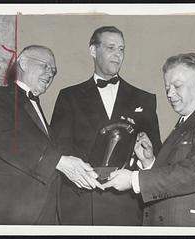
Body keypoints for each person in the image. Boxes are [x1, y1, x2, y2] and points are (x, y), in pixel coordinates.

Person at [103, 53, 195, 227]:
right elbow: (175, 170)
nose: (169, 93)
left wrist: (134, 179)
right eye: (167, 87)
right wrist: (150, 162)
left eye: (177, 86)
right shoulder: (188, 120)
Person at [0, 45, 102, 225]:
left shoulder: (38, 111)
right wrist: (60, 162)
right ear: (24, 63)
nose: (50, 74)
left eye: (54, 71)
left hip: (42, 216)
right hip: (5, 213)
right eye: (45, 66)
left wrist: (88, 173)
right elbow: (6, 138)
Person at [50, 26, 162, 225]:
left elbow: (154, 153)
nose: (118, 55)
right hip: (78, 204)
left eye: (121, 49)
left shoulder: (144, 99)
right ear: (93, 51)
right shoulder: (68, 96)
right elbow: (60, 148)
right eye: (111, 48)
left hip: (125, 206)